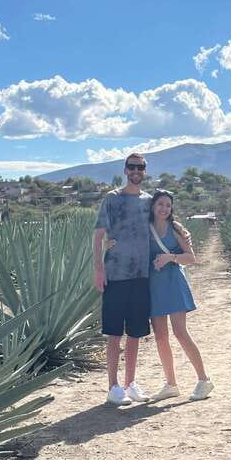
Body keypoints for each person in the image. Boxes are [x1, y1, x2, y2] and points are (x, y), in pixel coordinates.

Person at [93, 152, 152, 406]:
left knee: (135, 333)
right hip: (115, 274)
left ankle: (130, 383)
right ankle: (113, 387)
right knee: (114, 333)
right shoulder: (112, 199)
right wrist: (99, 269)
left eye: (140, 167)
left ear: (144, 171)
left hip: (141, 275)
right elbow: (98, 235)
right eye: (132, 167)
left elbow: (164, 222)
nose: (136, 171)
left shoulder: (149, 201)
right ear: (125, 170)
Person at [148, 190, 214, 401]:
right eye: (160, 204)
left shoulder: (176, 229)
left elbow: (191, 258)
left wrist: (170, 257)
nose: (164, 209)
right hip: (154, 286)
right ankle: (171, 384)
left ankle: (204, 380)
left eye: (168, 205)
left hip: (173, 284)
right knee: (160, 336)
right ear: (152, 206)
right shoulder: (145, 229)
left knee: (179, 332)